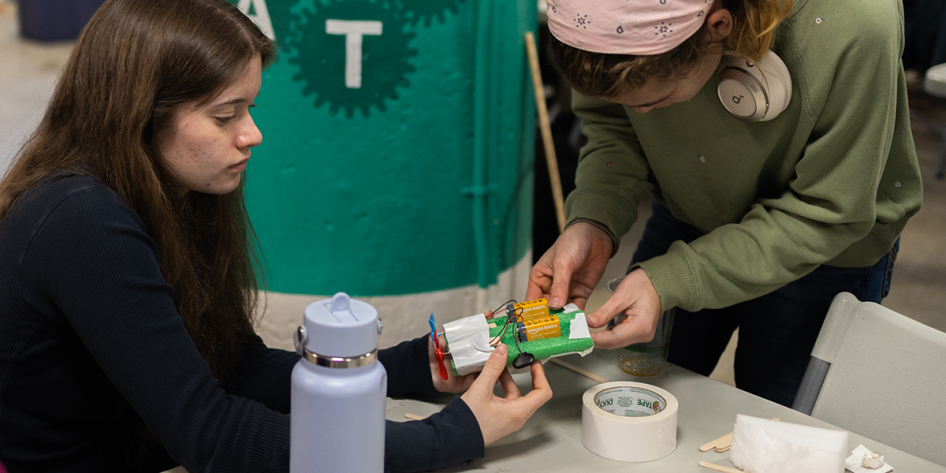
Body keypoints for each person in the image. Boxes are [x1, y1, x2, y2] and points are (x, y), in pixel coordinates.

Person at [0, 0, 551, 471]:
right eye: (225, 115)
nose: (252, 134)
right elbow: (213, 436)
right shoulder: (82, 219)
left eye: (251, 108)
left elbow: (235, 367)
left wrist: (418, 366)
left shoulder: (170, 189)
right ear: (140, 114)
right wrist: (452, 435)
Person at [527, 0, 922, 407]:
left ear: (718, 26)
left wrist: (673, 279)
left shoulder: (855, 21)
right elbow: (612, 125)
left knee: (777, 422)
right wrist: (594, 219)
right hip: (688, 211)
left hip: (824, 250)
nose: (638, 114)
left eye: (652, 101)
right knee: (634, 395)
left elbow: (830, 212)